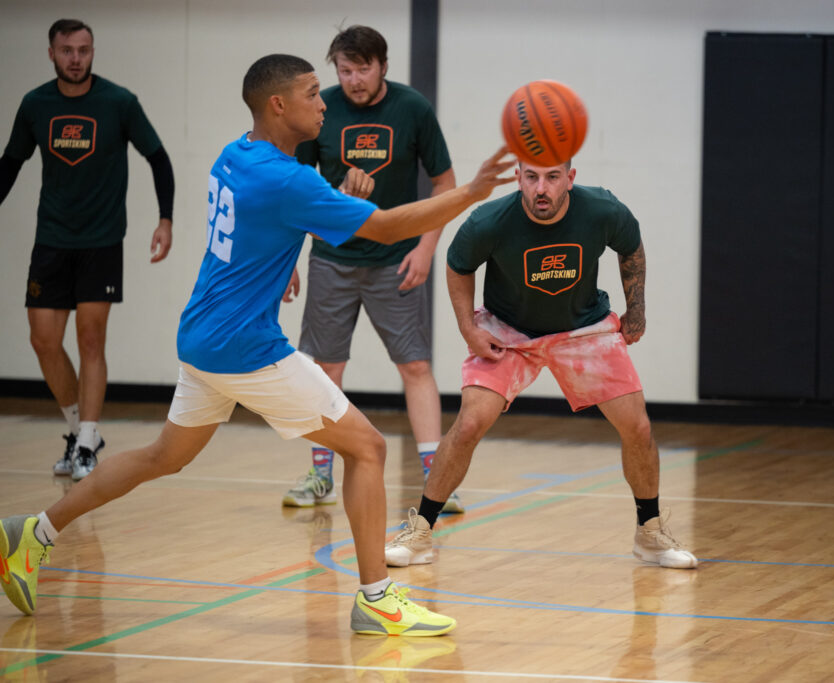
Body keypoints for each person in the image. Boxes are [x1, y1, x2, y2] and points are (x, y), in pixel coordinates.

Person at [0, 53, 515, 634]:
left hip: (203, 336)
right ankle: (376, 599)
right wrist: (470, 191)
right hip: (245, 348)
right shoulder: (289, 180)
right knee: (368, 449)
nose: (324, 105)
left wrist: (331, 200)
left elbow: (278, 214)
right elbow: (385, 227)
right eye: (312, 93)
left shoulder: (235, 154)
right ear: (278, 104)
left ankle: (33, 532)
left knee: (161, 457)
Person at [384, 159, 698, 570]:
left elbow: (631, 245)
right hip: (509, 331)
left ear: (571, 178)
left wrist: (636, 308)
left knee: (637, 426)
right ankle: (420, 533)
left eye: (552, 177)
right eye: (531, 177)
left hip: (583, 329)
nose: (541, 188)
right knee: (470, 423)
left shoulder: (602, 209)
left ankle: (650, 533)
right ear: (518, 178)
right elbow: (458, 266)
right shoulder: (489, 221)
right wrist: (468, 328)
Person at [280, 25, 463, 514]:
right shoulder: (320, 108)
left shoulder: (412, 108)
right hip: (331, 260)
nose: (355, 80)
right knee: (324, 370)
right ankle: (321, 475)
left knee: (416, 366)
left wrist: (426, 247)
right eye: (345, 70)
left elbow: (445, 182)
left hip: (395, 261)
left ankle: (436, 479)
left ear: (383, 66)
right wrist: (288, 259)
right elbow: (294, 187)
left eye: (363, 69)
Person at [0, 19, 176, 482]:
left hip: (101, 240)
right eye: (67, 50)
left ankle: (86, 442)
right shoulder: (35, 104)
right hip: (51, 239)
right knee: (43, 341)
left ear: (93, 51)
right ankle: (80, 430)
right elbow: (10, 163)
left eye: (83, 50)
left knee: (91, 339)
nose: (75, 59)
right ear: (51, 53)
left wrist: (165, 219)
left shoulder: (118, 102)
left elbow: (158, 158)